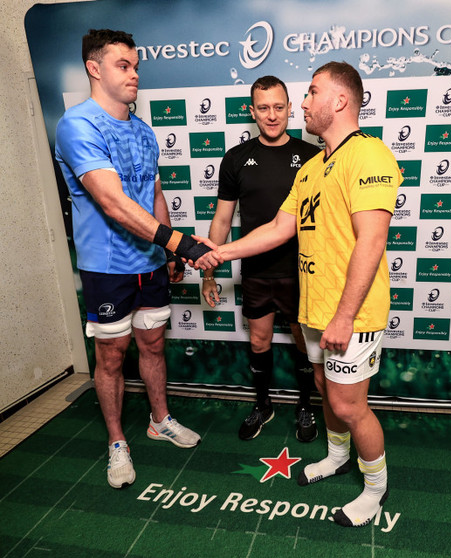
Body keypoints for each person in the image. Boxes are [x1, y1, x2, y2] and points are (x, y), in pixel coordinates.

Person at [195, 61, 402, 527]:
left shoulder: (369, 155)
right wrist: (220, 253)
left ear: (340, 101)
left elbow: (371, 241)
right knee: (328, 391)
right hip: (314, 308)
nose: (302, 103)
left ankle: (374, 489)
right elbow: (276, 228)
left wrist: (345, 316)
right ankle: (335, 456)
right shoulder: (311, 167)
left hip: (352, 315)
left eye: (311, 93)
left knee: (350, 404)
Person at [55, 29, 215, 489]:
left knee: (153, 345)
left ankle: (159, 420)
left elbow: (154, 195)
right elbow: (114, 203)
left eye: (136, 66)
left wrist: (166, 250)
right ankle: (116, 442)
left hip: (150, 263)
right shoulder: (78, 124)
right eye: (123, 65)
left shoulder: (143, 130)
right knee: (110, 358)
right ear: (94, 68)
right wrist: (183, 243)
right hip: (107, 269)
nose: (134, 74)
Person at [202, 76, 320, 442]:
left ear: (290, 108)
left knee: (304, 343)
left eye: (279, 107)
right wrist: (209, 271)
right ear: (252, 112)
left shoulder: (313, 157)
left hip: (302, 272)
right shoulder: (235, 159)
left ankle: (305, 405)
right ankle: (263, 404)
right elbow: (222, 219)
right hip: (255, 271)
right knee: (259, 343)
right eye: (264, 108)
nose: (272, 116)